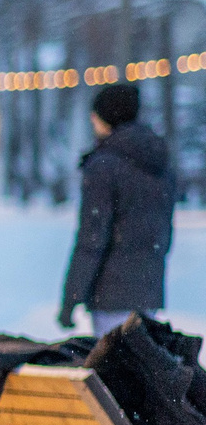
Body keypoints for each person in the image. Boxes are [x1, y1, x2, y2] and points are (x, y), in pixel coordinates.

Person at [62, 81, 174, 335]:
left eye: (96, 113)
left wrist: (71, 297)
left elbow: (92, 238)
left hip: (110, 293)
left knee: (112, 369)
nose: (92, 119)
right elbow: (164, 232)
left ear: (107, 117)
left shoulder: (104, 167)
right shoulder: (158, 163)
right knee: (143, 367)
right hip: (148, 289)